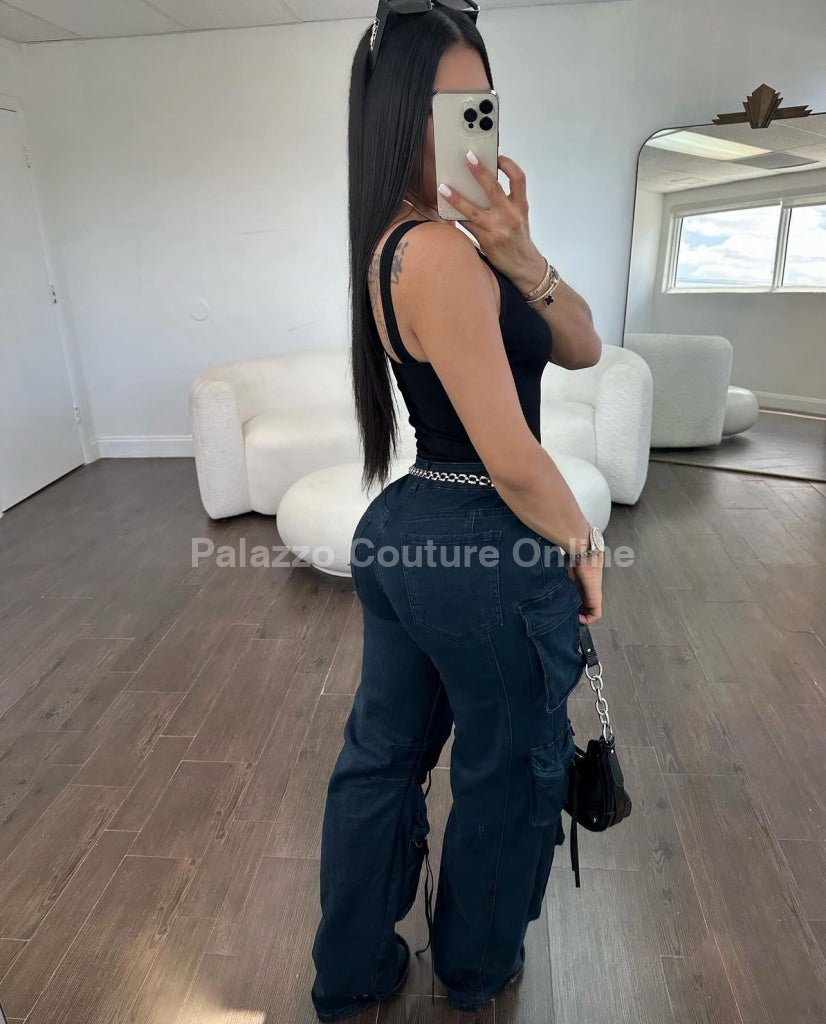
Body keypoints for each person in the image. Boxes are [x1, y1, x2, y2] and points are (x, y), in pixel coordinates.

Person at [310, 3, 604, 1020]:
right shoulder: (433, 250)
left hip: (407, 526)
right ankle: (475, 972)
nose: (470, 124)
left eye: (481, 101)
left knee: (381, 759)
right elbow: (512, 459)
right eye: (446, 103)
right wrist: (582, 542)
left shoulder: (409, 242)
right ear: (398, 114)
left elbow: (582, 346)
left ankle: (350, 974)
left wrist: (519, 248)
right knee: (508, 768)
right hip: (481, 541)